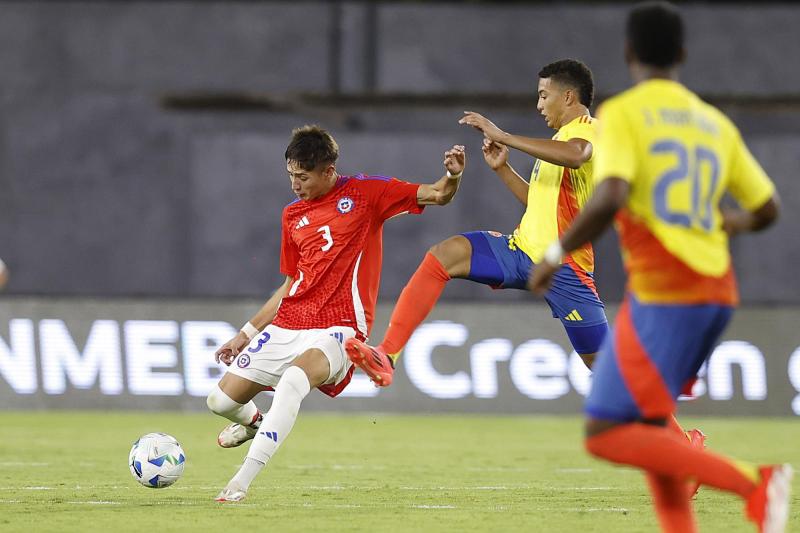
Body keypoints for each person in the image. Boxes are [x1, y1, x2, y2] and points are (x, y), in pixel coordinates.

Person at [528, 3, 790, 532]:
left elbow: (611, 195)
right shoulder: (714, 123)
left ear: (629, 54)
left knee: (606, 431)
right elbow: (767, 209)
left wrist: (555, 254)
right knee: (651, 429)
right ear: (683, 55)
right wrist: (728, 226)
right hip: (714, 291)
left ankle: (755, 484)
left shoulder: (623, 115)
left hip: (668, 293)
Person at [207, 125, 466, 502]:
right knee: (219, 402)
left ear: (328, 171)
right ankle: (254, 423)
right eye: (291, 175)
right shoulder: (292, 215)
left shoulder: (366, 193)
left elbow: (439, 194)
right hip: (289, 322)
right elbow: (290, 284)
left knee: (294, 381)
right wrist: (245, 333)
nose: (295, 185)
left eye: (303, 176)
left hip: (340, 326)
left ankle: (240, 481)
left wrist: (453, 175)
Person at [344, 59, 610, 388]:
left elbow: (578, 153)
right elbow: (538, 204)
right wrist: (503, 168)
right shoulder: (558, 142)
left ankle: (682, 439)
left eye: (544, 95)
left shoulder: (586, 128)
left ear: (569, 97)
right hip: (523, 251)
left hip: (564, 267)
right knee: (445, 254)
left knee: (606, 370)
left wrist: (504, 136)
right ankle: (386, 355)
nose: (539, 104)